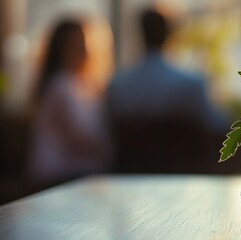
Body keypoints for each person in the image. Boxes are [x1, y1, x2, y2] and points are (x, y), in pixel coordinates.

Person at [106, 8, 227, 173]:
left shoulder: (118, 86)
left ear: (140, 35)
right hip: (180, 175)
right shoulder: (190, 84)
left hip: (131, 175)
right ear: (169, 36)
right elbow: (217, 126)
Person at [29, 19, 111, 183]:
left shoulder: (82, 85)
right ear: (61, 49)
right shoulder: (60, 86)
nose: (83, 50)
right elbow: (78, 139)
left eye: (84, 43)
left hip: (76, 173)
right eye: (76, 44)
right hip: (59, 175)